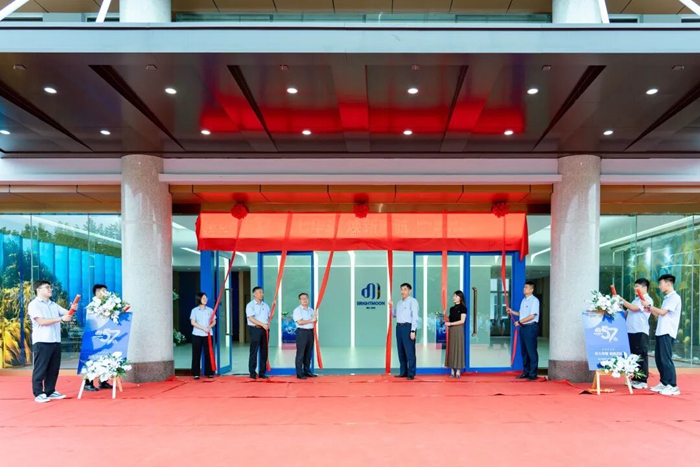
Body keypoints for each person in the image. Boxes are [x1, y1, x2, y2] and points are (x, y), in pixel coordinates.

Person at [28, 280, 78, 403]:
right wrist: (61, 319)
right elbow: (42, 321)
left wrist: (73, 309)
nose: (50, 289)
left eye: (50, 287)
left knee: (53, 369)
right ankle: (38, 393)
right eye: (47, 287)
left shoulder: (53, 304)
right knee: (40, 368)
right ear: (38, 290)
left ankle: (50, 391)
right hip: (42, 341)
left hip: (55, 341)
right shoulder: (34, 304)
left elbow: (67, 314)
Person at [641, 274, 682, 396]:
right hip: (660, 331)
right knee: (659, 358)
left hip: (667, 332)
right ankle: (664, 382)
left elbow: (663, 312)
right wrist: (650, 310)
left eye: (661, 283)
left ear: (668, 283)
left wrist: (649, 305)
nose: (659, 286)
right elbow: (659, 315)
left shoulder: (675, 297)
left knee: (666, 359)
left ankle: (673, 385)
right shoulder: (666, 298)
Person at [616, 278, 653, 389]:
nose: (635, 288)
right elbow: (627, 313)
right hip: (630, 330)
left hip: (640, 331)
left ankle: (642, 380)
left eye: (637, 286)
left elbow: (634, 309)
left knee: (641, 355)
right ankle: (635, 378)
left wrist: (622, 300)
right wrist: (618, 307)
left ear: (644, 288)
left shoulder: (647, 300)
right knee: (633, 355)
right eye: (634, 286)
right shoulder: (635, 300)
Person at [506, 281, 540, 381]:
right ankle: (526, 372)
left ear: (531, 290)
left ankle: (533, 374)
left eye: (526, 287)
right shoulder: (524, 300)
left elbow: (532, 316)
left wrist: (519, 322)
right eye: (524, 287)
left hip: (530, 327)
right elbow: (521, 314)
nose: (524, 289)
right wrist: (512, 311)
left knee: (531, 351)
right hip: (523, 328)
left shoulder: (534, 301)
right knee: (524, 352)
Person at [84, 284, 114, 392]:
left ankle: (103, 381)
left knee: (105, 357)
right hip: (94, 337)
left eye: (106, 291)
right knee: (92, 359)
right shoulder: (92, 306)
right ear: (97, 293)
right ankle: (88, 383)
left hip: (105, 335)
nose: (106, 293)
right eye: (103, 291)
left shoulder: (108, 305)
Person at [389, 283, 419, 380]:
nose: (403, 291)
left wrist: (413, 330)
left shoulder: (412, 301)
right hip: (399, 327)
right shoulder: (399, 303)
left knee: (409, 351)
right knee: (401, 351)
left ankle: (411, 373)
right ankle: (403, 372)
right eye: (401, 289)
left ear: (409, 291)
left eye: (405, 289)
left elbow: (415, 317)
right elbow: (395, 315)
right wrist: (391, 307)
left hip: (408, 327)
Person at [246, 286, 271, 380]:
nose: (261, 294)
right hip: (255, 329)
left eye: (262, 292)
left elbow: (269, 317)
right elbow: (251, 318)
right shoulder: (250, 305)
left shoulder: (266, 305)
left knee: (264, 351)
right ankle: (252, 372)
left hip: (265, 330)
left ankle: (262, 372)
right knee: (254, 351)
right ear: (254, 294)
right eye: (259, 292)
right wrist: (262, 324)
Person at [190, 292, 216, 380]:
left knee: (208, 353)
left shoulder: (210, 310)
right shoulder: (194, 310)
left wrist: (209, 326)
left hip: (208, 334)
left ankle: (209, 372)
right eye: (203, 298)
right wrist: (203, 328)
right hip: (197, 334)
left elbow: (214, 321)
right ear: (199, 299)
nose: (205, 300)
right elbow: (193, 322)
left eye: (206, 298)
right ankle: (196, 373)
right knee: (196, 353)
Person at [293, 293, 317, 379]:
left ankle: (307, 371)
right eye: (302, 298)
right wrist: (311, 320)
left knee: (308, 353)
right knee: (301, 353)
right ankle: (299, 373)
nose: (304, 300)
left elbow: (314, 321)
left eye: (306, 298)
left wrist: (314, 318)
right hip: (302, 333)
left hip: (310, 332)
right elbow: (300, 322)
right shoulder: (297, 310)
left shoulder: (311, 310)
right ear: (299, 300)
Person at [445, 290, 467, 378]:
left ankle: (458, 370)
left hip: (458, 330)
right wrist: (445, 317)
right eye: (454, 296)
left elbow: (462, 321)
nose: (454, 298)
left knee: (458, 349)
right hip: (451, 330)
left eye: (456, 296)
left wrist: (450, 324)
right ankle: (452, 370)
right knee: (451, 349)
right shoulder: (451, 309)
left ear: (460, 298)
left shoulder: (463, 308)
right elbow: (450, 319)